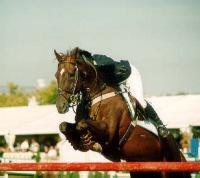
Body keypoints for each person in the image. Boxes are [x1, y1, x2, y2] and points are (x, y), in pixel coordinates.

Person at [79, 49, 169, 138]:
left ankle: (160, 126)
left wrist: (98, 67)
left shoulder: (98, 59)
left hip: (129, 75)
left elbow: (111, 65)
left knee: (141, 102)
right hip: (116, 81)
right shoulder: (89, 72)